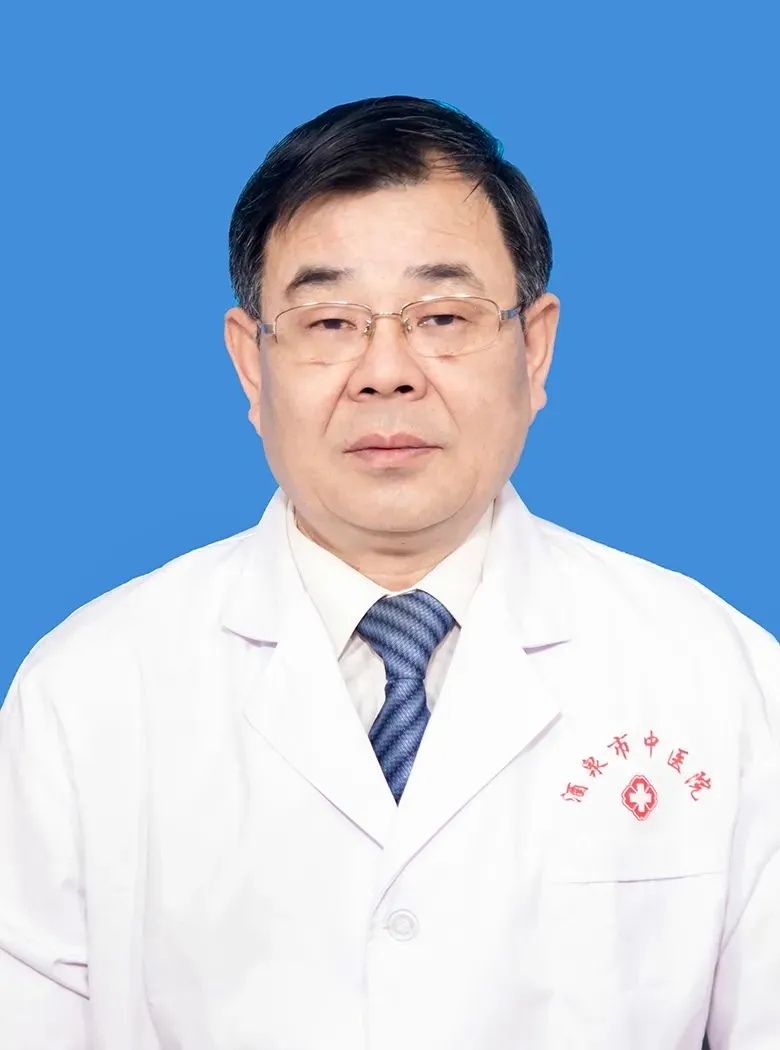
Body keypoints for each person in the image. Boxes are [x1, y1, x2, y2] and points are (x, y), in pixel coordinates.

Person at [0, 94, 777, 1050]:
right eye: (329, 322)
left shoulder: (722, 678)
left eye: (442, 316)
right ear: (251, 363)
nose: (386, 371)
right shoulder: (85, 693)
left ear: (534, 349)